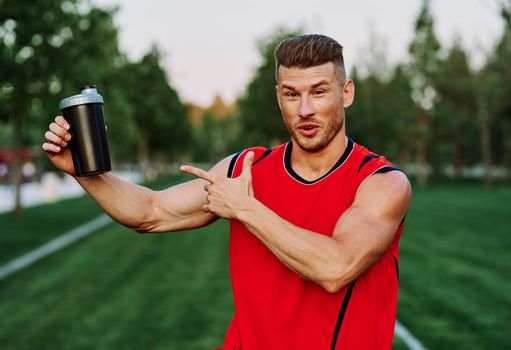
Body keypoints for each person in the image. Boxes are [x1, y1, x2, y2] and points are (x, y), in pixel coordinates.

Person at [43, 34, 411, 350]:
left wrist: (245, 209)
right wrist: (85, 174)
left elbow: (336, 267)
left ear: (346, 93)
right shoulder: (243, 170)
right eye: (291, 94)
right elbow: (150, 212)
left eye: (319, 92)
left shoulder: (380, 182)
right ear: (278, 97)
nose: (305, 110)